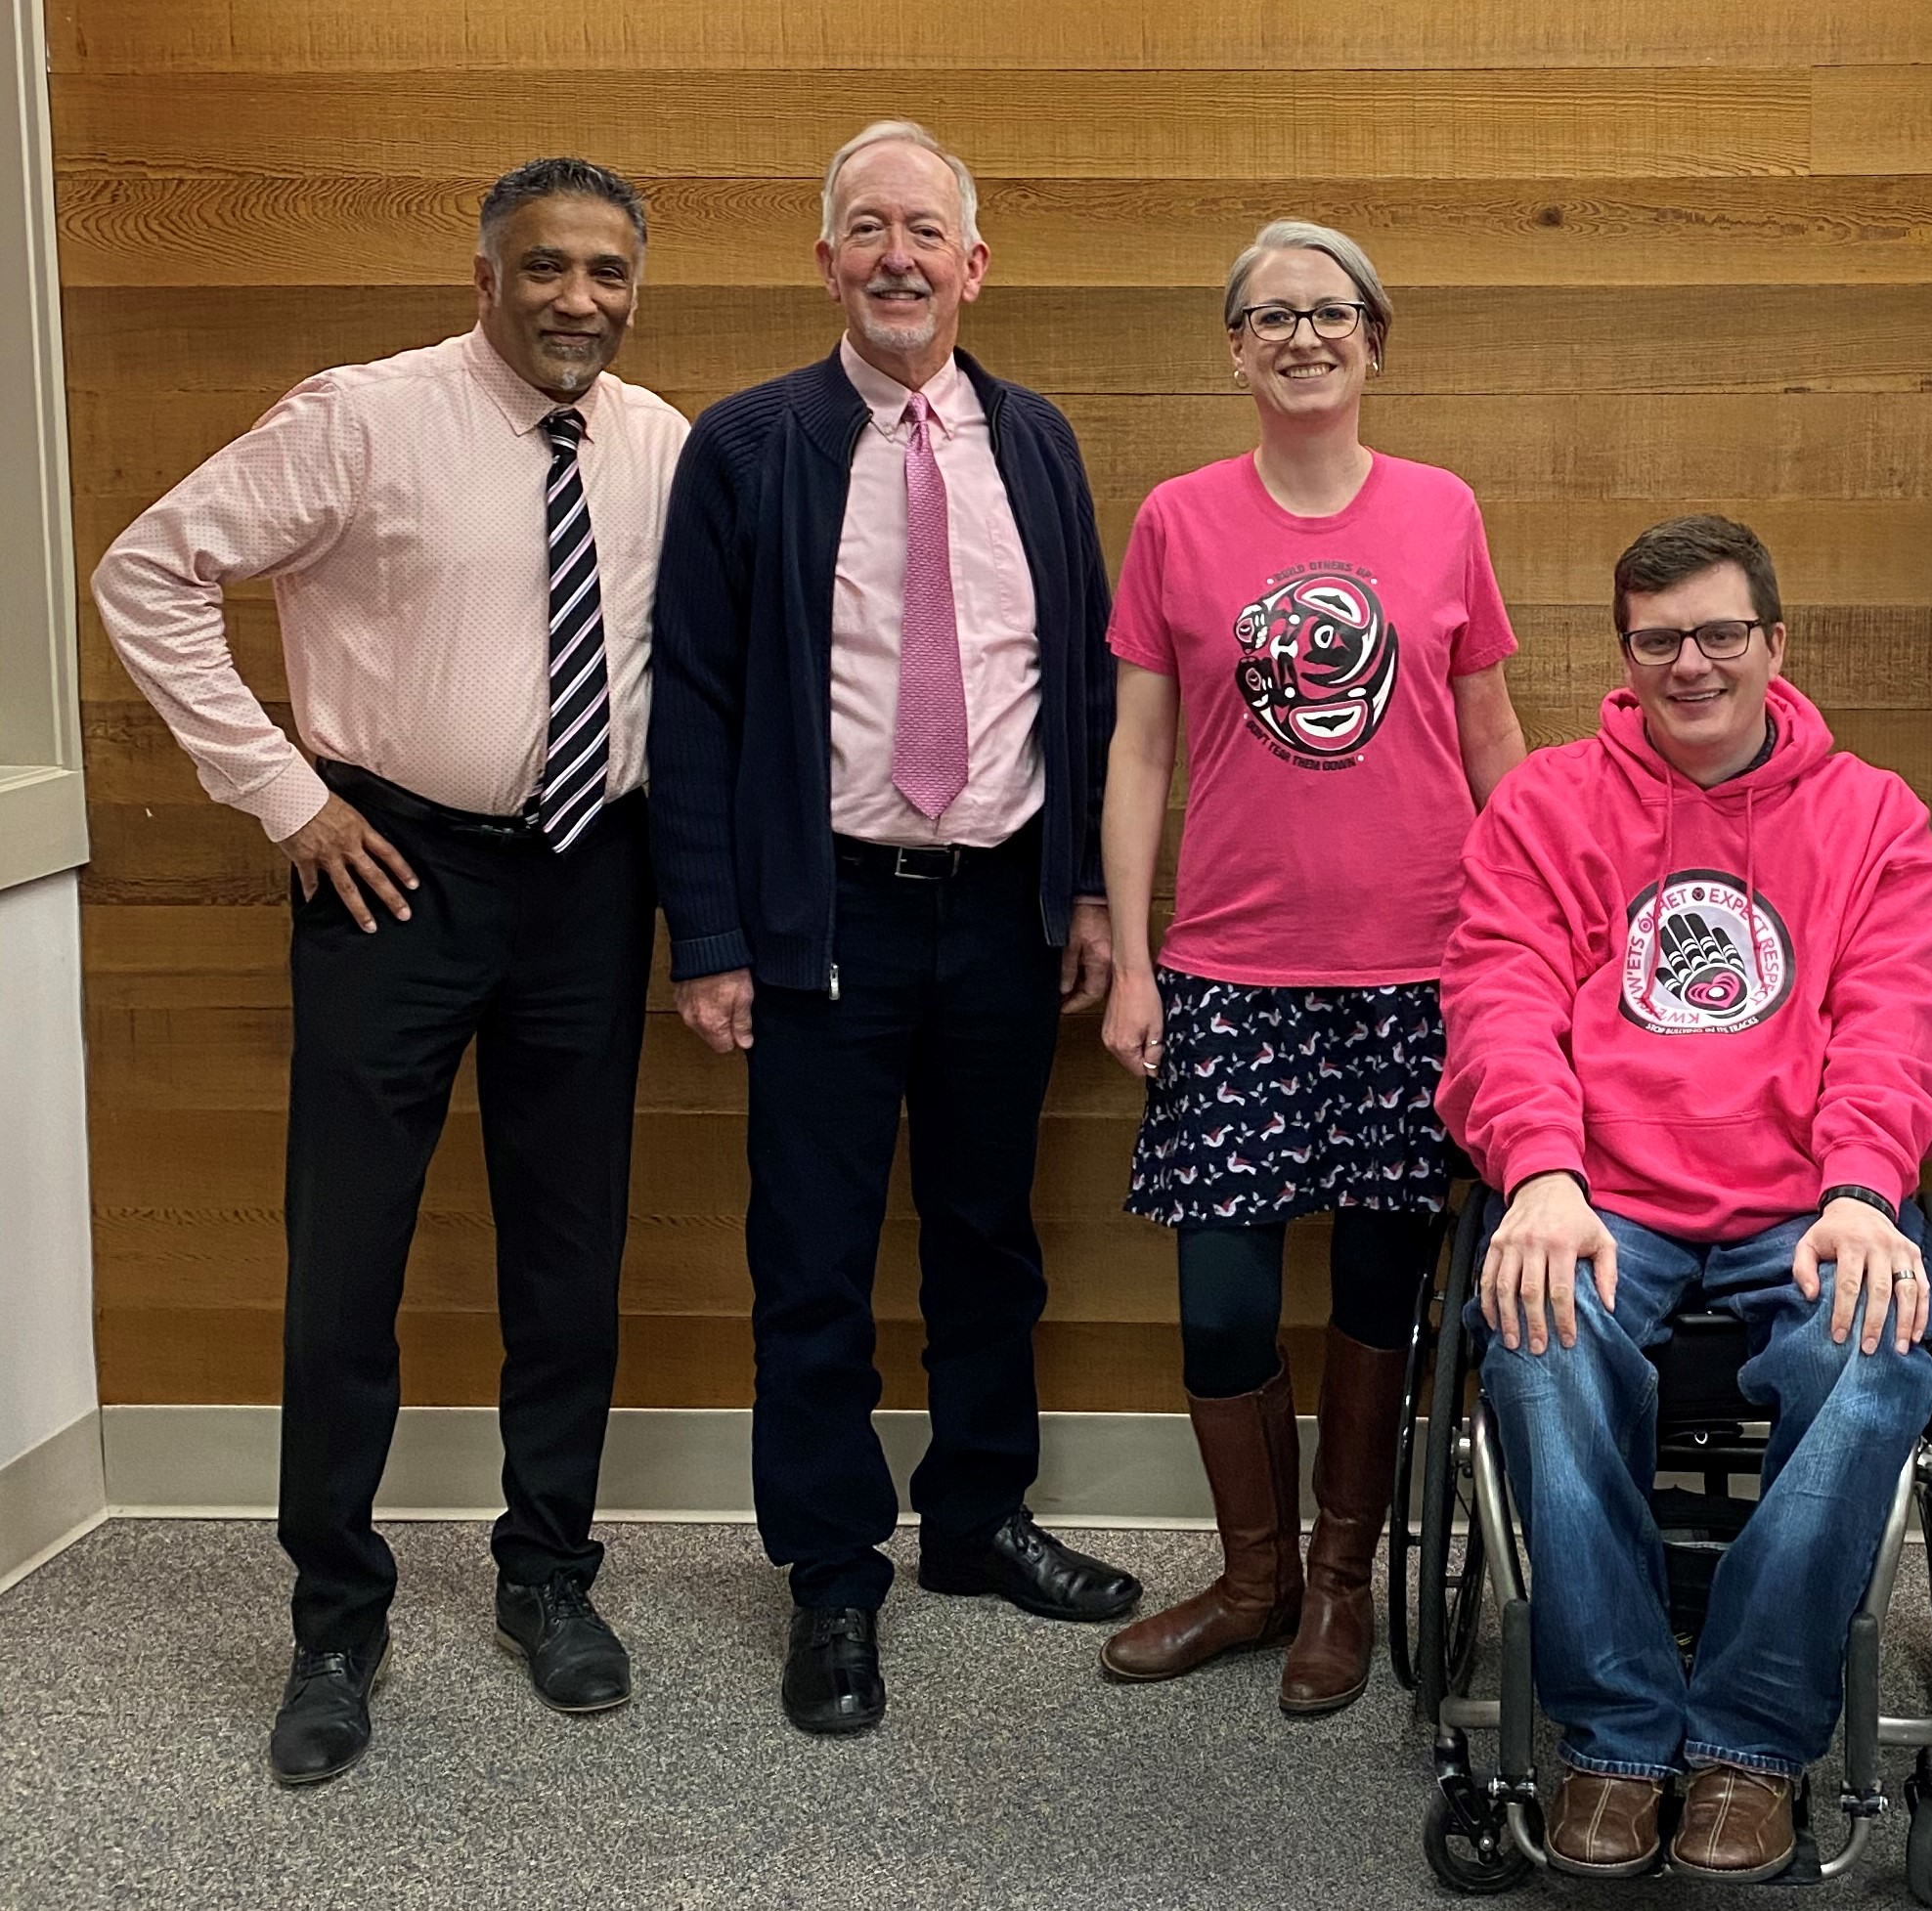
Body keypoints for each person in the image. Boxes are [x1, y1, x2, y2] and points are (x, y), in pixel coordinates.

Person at [93, 158, 686, 1784]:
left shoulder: (661, 446)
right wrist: (287, 796)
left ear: (637, 286)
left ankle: (549, 1578)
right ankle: (335, 1622)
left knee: (573, 1252)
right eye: (548, 266)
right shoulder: (362, 418)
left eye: (609, 273)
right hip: (393, 878)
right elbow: (148, 570)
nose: (580, 298)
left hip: (590, 879)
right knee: (344, 1265)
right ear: (483, 272)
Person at [648, 119, 1139, 1738]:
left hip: (1002, 910)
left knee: (990, 1237)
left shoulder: (1040, 440)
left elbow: (1076, 687)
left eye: (927, 230)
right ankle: (835, 1575)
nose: (899, 257)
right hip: (826, 916)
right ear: (827, 260)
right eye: (868, 228)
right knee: (812, 1258)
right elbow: (699, 707)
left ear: (974, 264)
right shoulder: (751, 447)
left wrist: (1082, 889)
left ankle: (978, 1520)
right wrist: (711, 933)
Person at [1438, 515, 1932, 1882]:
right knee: (1539, 1344)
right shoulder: (1545, 807)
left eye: (1722, 633)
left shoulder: (1873, 818)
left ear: (1776, 646)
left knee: (1871, 1355)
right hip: (1601, 1198)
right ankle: (1611, 1737)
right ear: (1624, 654)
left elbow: (1894, 1023)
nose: (1693, 664)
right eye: (1660, 639)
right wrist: (1539, 1171)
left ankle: (1748, 1743)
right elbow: (1498, 1009)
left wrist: (1862, 1189)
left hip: (1810, 1200)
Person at [1092, 222, 1527, 1713]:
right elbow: (1139, 747)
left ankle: (1340, 1583)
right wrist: (1139, 956)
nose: (1302, 336)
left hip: (1418, 971)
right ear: (1233, 349)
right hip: (1231, 971)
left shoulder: (1442, 510)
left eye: (1331, 313)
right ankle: (1254, 1575)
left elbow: (1490, 741)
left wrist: (1530, 946)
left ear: (1373, 341)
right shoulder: (1177, 521)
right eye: (1270, 315)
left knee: (1379, 1295)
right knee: (1221, 1302)